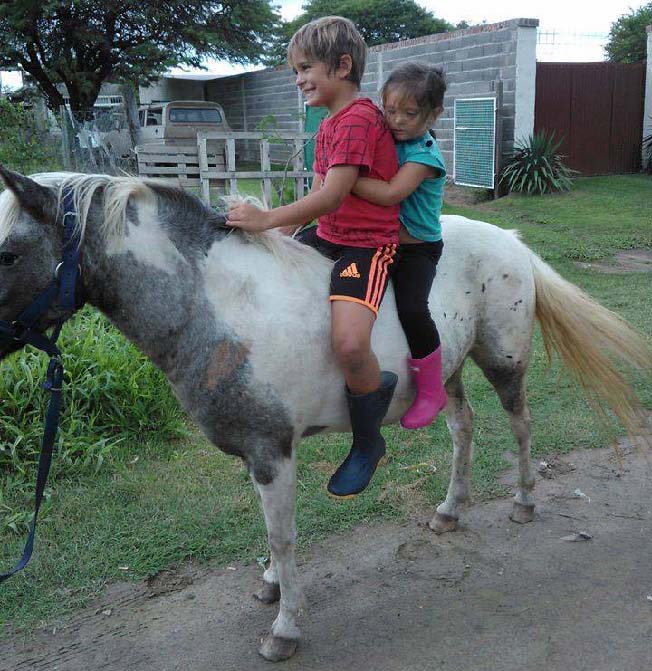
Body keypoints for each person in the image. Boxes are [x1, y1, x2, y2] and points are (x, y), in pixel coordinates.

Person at [227, 16, 400, 498]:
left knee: (348, 342)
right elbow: (323, 196)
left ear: (342, 65)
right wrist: (284, 229)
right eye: (295, 71)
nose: (299, 79)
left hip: (364, 245)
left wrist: (265, 217)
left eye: (306, 68)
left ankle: (368, 442)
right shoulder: (328, 123)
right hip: (328, 233)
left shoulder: (359, 119)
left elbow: (333, 193)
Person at [351, 62, 448, 429]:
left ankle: (431, 390)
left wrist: (343, 180)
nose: (398, 120)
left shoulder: (425, 155)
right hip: (380, 239)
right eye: (390, 111)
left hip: (416, 247)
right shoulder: (386, 136)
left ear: (434, 113)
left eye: (410, 113)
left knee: (412, 308)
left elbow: (392, 193)